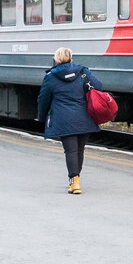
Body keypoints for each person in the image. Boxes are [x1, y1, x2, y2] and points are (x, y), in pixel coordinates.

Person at [37, 47, 102, 194]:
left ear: (56, 60)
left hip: (64, 120)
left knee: (71, 151)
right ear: (71, 59)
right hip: (85, 118)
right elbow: (99, 86)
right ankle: (75, 179)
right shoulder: (83, 72)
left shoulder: (51, 77)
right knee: (79, 150)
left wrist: (41, 117)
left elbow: (43, 99)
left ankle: (74, 181)